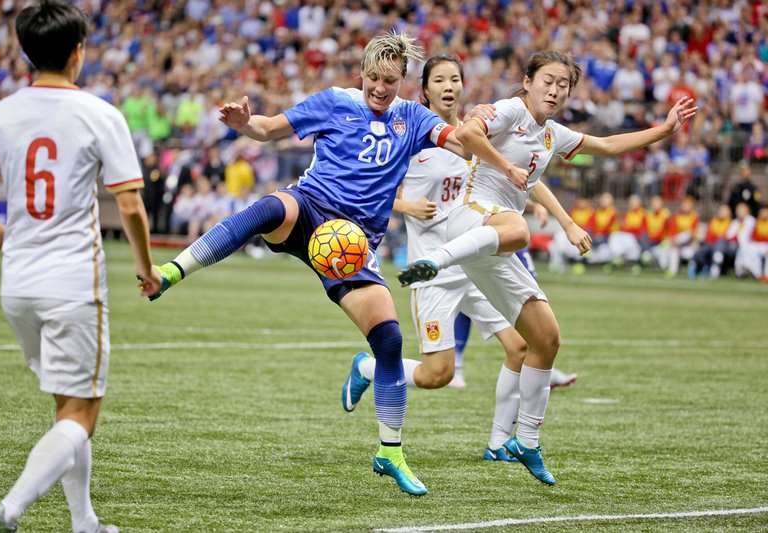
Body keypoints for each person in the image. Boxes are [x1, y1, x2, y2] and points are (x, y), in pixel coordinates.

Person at [145, 33, 507, 496]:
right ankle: (170, 273)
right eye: (374, 78)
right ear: (362, 74)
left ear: (402, 81)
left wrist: (480, 124)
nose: (380, 88)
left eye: (390, 81)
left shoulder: (415, 118)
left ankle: (390, 452)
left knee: (390, 341)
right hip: (310, 208)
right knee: (269, 208)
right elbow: (270, 128)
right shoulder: (335, 101)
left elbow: (460, 144)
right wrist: (245, 123)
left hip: (352, 244)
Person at [398, 50, 696, 485]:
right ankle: (434, 261)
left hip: (491, 245)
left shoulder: (552, 134)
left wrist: (665, 130)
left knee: (545, 339)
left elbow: (608, 145)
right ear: (527, 81)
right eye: (548, 81)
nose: (555, 90)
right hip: (470, 217)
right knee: (518, 231)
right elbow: (469, 132)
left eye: (563, 85)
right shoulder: (509, 110)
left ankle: (525, 441)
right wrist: (507, 168)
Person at [0, 2, 162, 531]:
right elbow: (129, 204)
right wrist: (146, 268)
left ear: (26, 53)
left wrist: (4, 239)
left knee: (65, 406)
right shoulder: (99, 114)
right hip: (72, 283)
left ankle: (84, 522)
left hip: (18, 286)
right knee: (82, 414)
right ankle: (9, 509)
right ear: (78, 52)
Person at [338, 54, 576, 467]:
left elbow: (522, 171)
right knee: (439, 374)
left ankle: (499, 442)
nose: (448, 87)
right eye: (439, 80)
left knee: (521, 346)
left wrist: (551, 211)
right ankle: (368, 369)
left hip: (477, 260)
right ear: (425, 89)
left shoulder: (476, 131)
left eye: (455, 79)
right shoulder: (412, 136)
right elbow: (369, 187)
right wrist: (406, 206)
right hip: (433, 268)